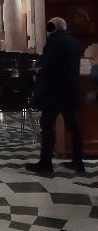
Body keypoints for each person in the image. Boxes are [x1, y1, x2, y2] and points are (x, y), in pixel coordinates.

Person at [26, 17, 85, 175]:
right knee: (74, 127)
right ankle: (78, 162)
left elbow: (49, 67)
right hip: (71, 89)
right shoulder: (75, 43)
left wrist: (38, 75)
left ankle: (46, 164)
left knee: (47, 126)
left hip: (55, 91)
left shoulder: (53, 43)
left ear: (52, 28)